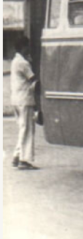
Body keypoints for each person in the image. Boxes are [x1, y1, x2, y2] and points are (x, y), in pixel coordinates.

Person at [10, 37, 39, 170]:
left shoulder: (15, 61)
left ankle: (17, 155)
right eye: (27, 46)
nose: (28, 48)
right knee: (27, 129)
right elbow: (33, 79)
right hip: (25, 99)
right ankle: (24, 159)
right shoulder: (23, 63)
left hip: (16, 99)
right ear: (22, 47)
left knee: (23, 128)